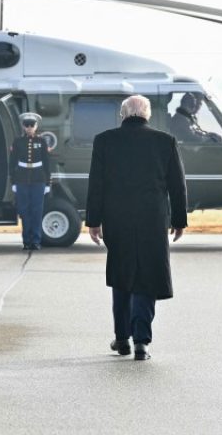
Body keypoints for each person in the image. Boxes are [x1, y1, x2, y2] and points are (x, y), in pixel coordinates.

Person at [85, 95, 188, 361]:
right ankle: (142, 341)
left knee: (122, 276)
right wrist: (178, 221)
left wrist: (94, 221)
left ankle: (122, 338)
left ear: (123, 114)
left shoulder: (104, 140)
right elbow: (177, 186)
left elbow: (97, 184)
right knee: (147, 277)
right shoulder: (165, 142)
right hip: (152, 220)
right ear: (147, 115)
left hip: (117, 219)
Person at [8, 112, 52, 251]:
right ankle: (26, 241)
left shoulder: (41, 141)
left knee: (37, 211)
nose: (29, 128)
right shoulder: (18, 141)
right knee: (24, 211)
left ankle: (36, 241)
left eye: (31, 125)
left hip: (38, 179)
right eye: (26, 125)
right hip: (22, 179)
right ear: (23, 126)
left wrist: (47, 183)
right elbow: (12, 162)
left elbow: (46, 163)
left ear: (36, 126)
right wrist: (13, 182)